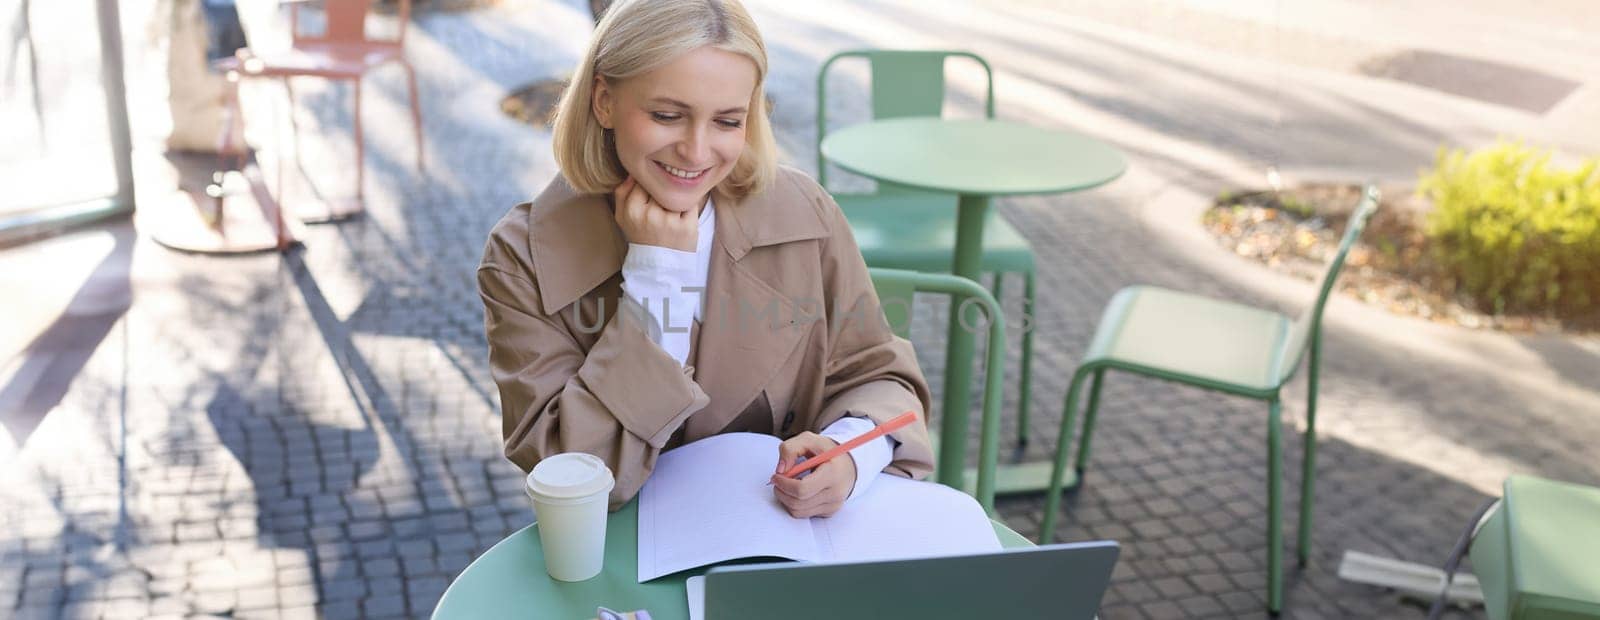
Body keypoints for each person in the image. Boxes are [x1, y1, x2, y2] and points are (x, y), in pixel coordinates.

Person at [477, 0, 933, 518]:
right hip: (616, 554)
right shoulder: (523, 256)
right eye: (667, 115)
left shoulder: (804, 214)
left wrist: (850, 457)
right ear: (603, 101)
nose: (696, 152)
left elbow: (879, 376)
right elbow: (569, 471)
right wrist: (656, 276)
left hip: (788, 541)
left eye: (726, 121)